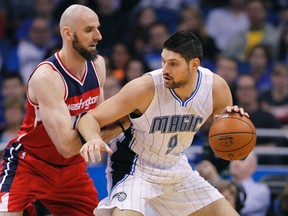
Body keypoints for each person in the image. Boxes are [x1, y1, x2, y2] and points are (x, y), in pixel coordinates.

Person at [77, 30, 249, 216]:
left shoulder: (216, 88)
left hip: (175, 166)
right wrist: (93, 138)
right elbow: (89, 119)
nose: (165, 69)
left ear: (194, 65)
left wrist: (235, 120)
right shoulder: (144, 88)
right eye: (163, 61)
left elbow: (226, 133)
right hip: (135, 168)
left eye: (173, 64)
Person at [0, 4, 128, 215]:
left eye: (97, 28)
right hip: (31, 165)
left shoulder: (98, 66)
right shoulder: (47, 77)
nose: (98, 36)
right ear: (68, 33)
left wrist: (101, 132)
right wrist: (123, 124)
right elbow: (67, 146)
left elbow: (100, 122)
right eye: (89, 30)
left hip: (71, 169)